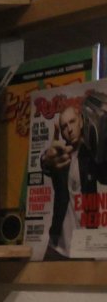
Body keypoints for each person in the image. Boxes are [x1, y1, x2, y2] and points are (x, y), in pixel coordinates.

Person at [42, 94, 107, 258]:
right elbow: (47, 163)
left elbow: (104, 176)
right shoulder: (60, 155)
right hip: (57, 245)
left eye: (72, 122)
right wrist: (46, 159)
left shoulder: (92, 154)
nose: (69, 129)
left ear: (81, 121)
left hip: (85, 244)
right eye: (64, 126)